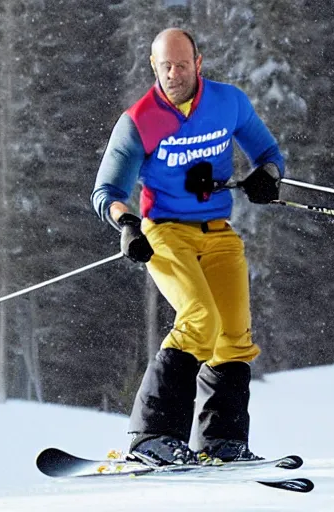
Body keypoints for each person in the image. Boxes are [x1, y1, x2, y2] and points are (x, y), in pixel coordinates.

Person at [91, 28, 285, 466]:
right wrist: (127, 224)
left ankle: (221, 441)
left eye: (181, 65)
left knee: (233, 335)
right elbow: (106, 189)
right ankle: (151, 436)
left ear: (198, 63)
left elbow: (268, 153)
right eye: (165, 67)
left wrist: (266, 176)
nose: (173, 74)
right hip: (165, 231)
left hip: (218, 232)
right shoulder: (139, 120)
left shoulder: (228, 102)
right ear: (153, 67)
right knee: (200, 318)